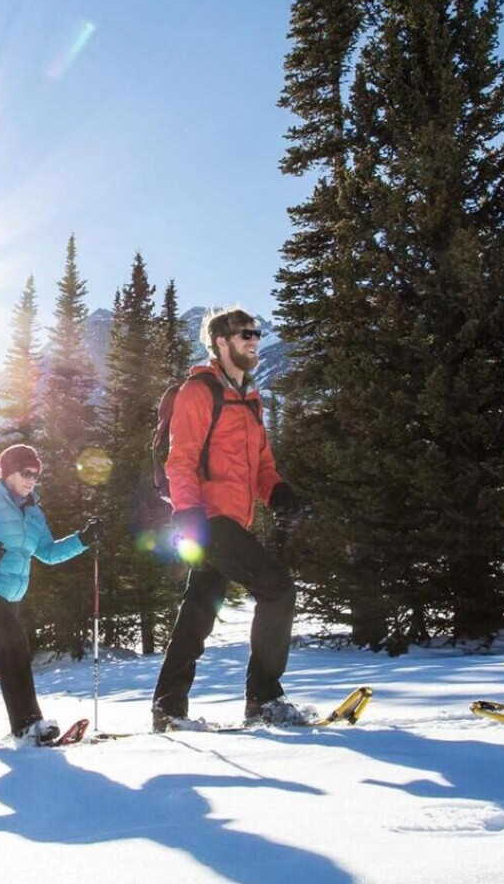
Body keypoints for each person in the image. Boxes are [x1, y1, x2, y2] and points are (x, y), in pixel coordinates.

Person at [151, 306, 304, 731]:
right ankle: (264, 698)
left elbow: (263, 467)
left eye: (256, 333)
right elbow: (179, 461)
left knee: (199, 608)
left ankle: (167, 706)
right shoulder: (199, 391)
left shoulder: (251, 401)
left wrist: (279, 493)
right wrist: (188, 516)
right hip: (207, 518)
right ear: (220, 342)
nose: (254, 340)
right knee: (277, 590)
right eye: (244, 334)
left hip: (234, 520)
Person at [0, 444, 94, 745]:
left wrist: (83, 540)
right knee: (14, 645)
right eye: (26, 473)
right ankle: (27, 724)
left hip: (11, 596)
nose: (32, 480)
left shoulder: (34, 513)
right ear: (8, 472)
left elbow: (49, 553)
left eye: (36, 475)